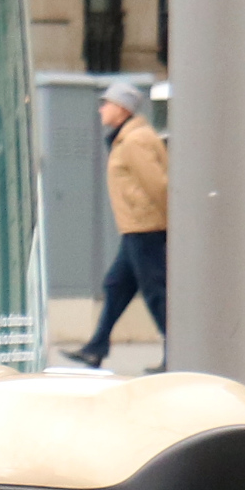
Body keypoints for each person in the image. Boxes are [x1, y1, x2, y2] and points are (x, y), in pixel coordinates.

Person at [77, 76, 171, 366]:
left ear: (122, 108)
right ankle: (96, 347)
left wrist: (169, 225)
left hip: (145, 228)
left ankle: (178, 354)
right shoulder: (128, 138)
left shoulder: (134, 141)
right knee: (116, 285)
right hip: (136, 227)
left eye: (106, 104)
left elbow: (159, 186)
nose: (101, 109)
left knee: (156, 293)